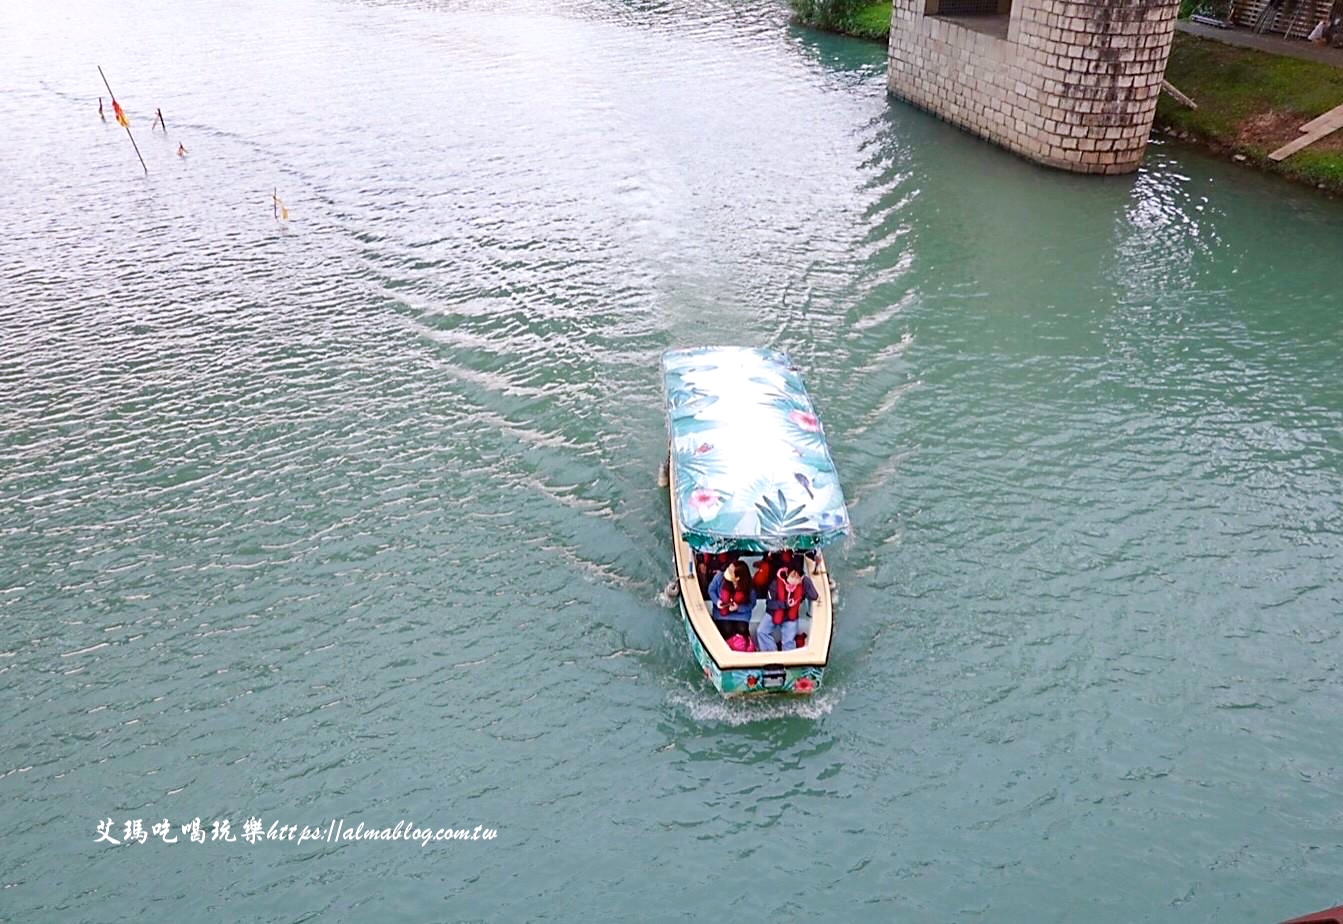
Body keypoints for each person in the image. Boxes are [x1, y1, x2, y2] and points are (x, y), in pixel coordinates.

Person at [755, 565, 817, 652]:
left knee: (788, 642)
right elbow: (769, 604)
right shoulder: (775, 584)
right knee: (761, 631)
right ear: (787, 574)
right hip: (774, 613)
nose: (794, 580)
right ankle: (771, 651)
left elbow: (814, 596)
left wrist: (806, 580)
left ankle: (788, 659)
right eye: (792, 576)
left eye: (797, 578)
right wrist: (785, 604)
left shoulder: (803, 584)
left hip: (790, 617)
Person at [707, 560, 755, 640]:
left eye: (730, 571)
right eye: (728, 568)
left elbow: (752, 603)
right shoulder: (719, 577)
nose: (727, 571)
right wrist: (717, 601)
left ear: (737, 578)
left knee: (742, 630)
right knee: (727, 630)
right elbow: (711, 590)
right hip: (722, 614)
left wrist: (738, 608)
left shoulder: (749, 587)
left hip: (741, 615)